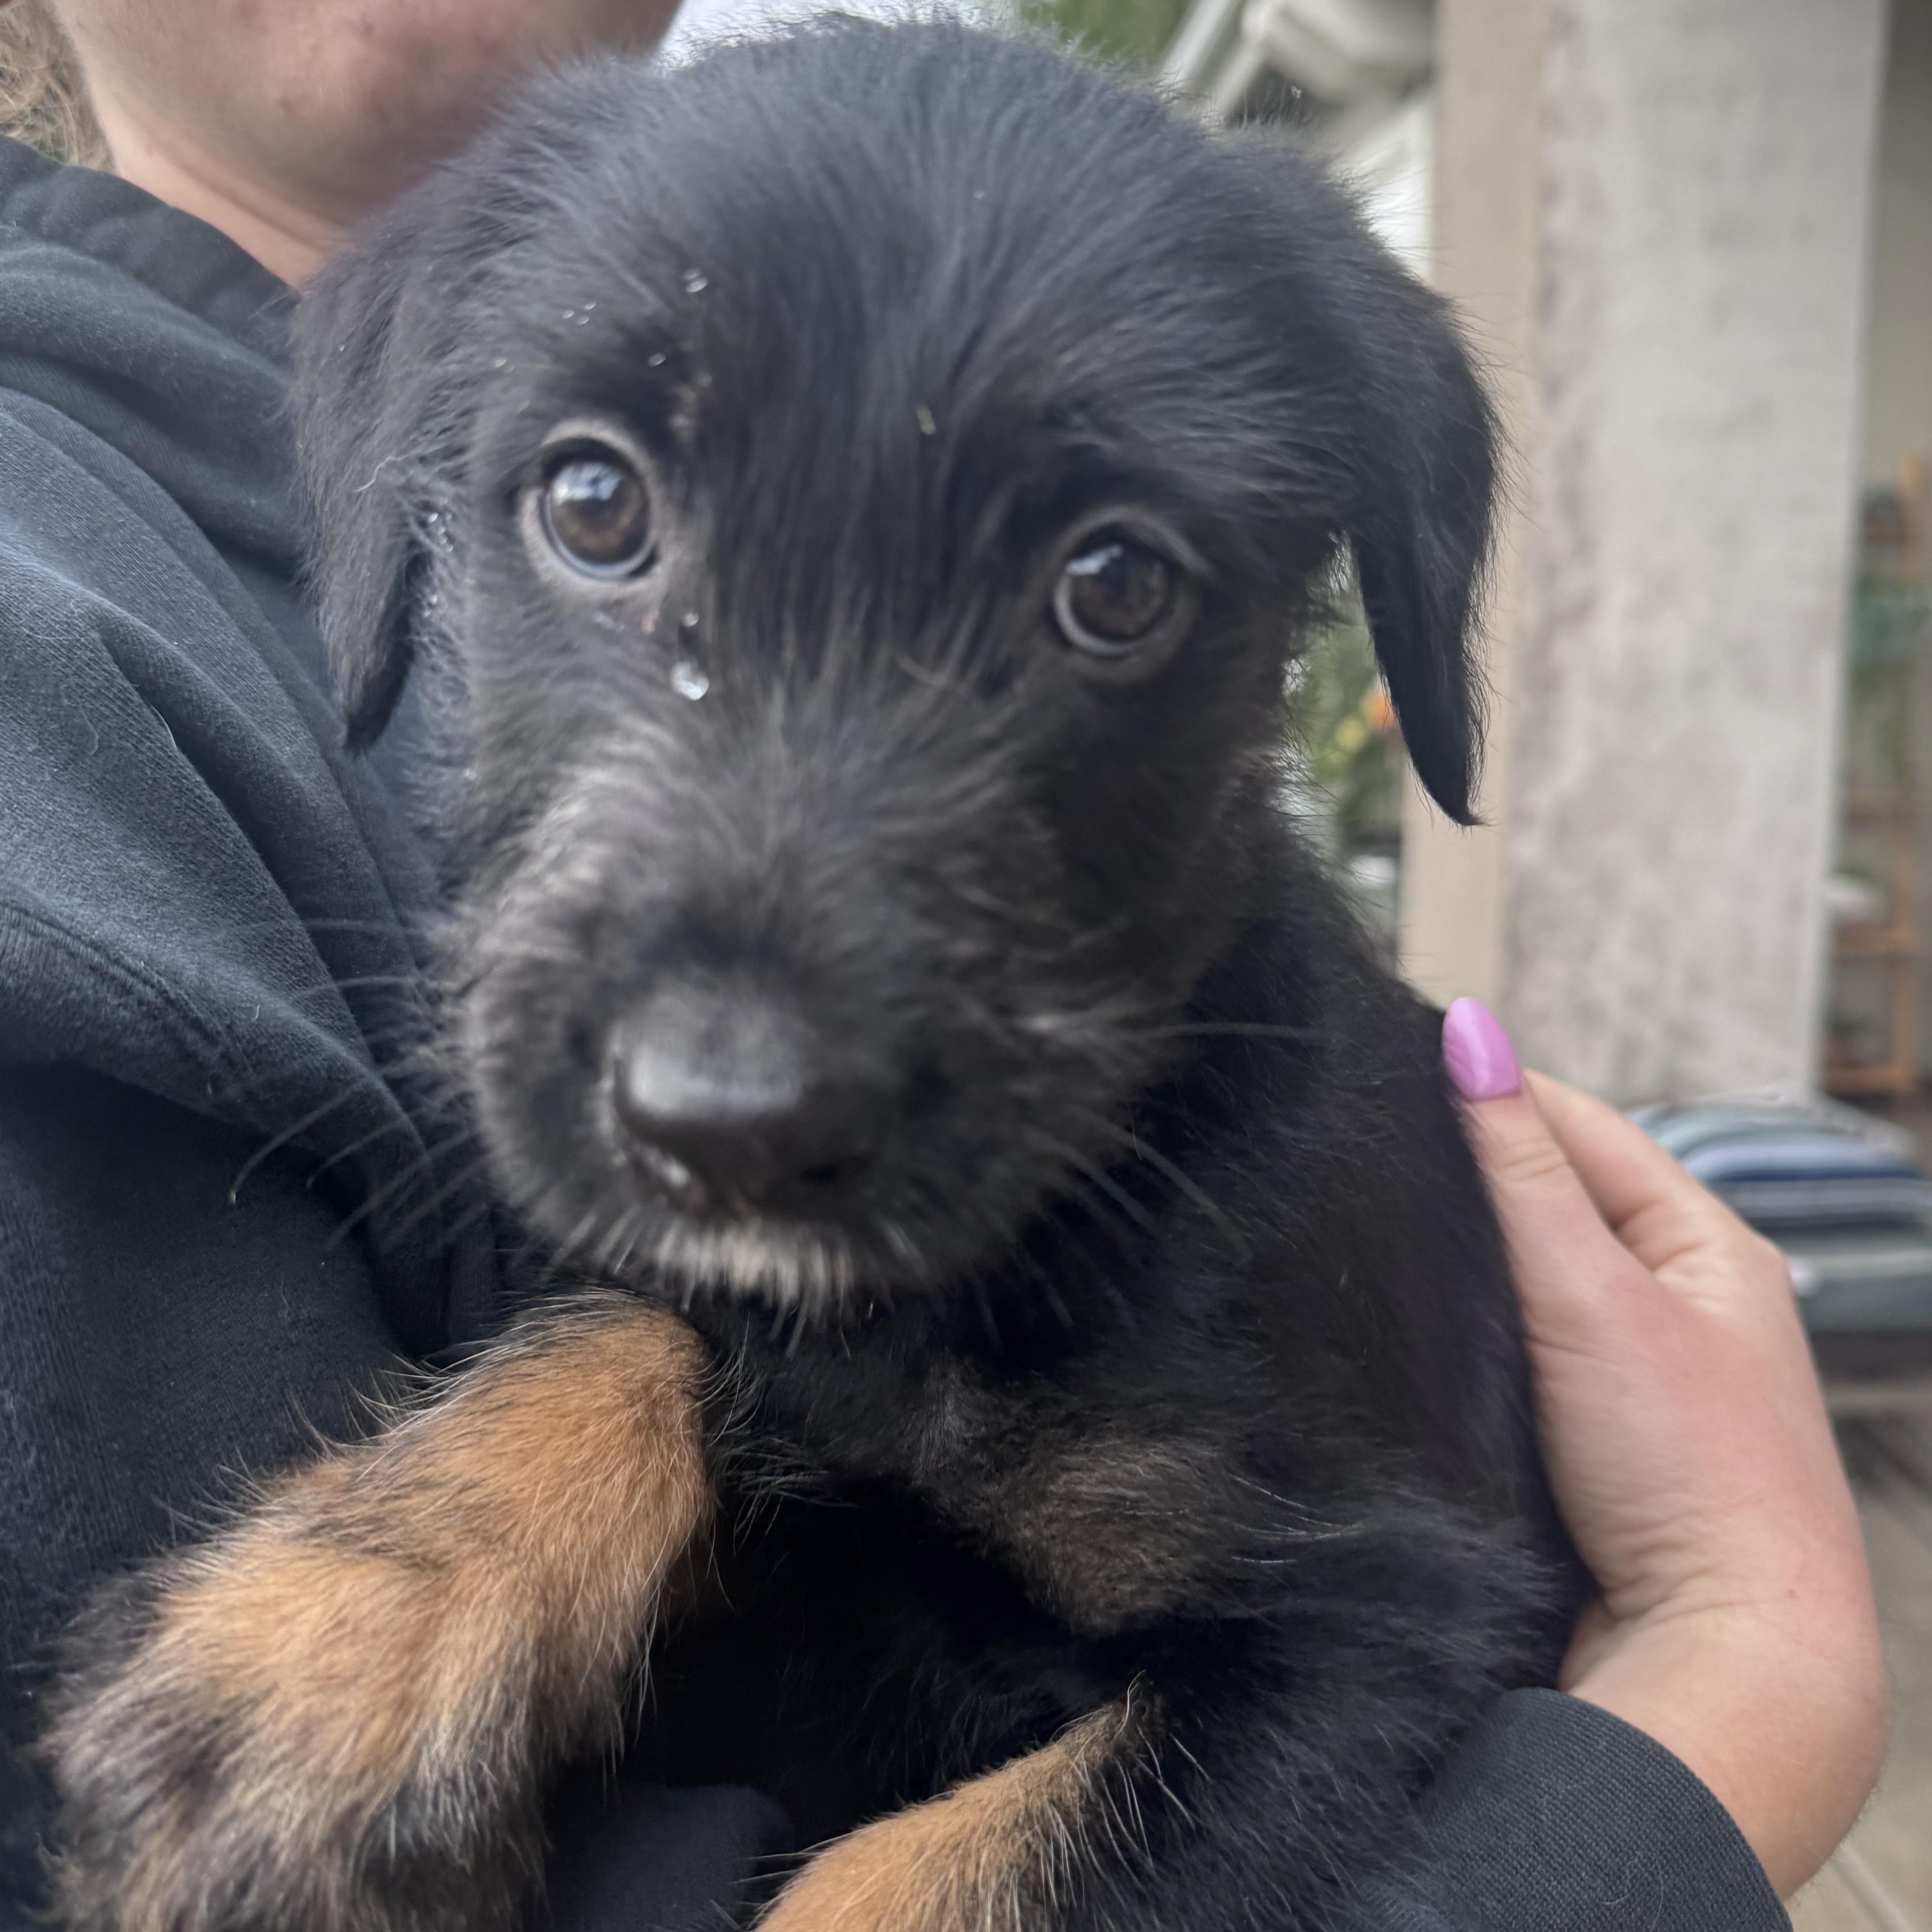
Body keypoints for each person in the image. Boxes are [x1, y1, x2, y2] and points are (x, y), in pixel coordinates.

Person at [0, 3, 1886, 1926]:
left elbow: (1344, 1631)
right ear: (388, 501)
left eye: (1113, 586)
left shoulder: (1251, 1175)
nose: (750, 1085)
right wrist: (1744, 1688)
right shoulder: (52, 622)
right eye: (600, 510)